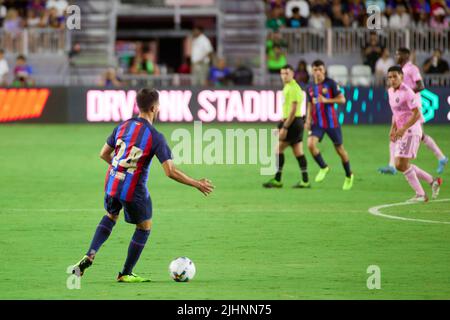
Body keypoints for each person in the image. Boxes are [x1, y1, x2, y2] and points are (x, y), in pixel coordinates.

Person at [72, 88, 214, 282]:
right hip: (134, 189)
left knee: (111, 216)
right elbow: (170, 171)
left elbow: (103, 153)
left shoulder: (123, 126)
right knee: (144, 227)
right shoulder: (155, 136)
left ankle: (90, 253)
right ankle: (125, 273)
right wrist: (196, 183)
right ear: (155, 108)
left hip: (112, 182)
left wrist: (120, 168)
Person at [379, 48, 448, 175]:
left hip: (411, 107)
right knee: (411, 135)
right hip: (402, 108)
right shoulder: (400, 70)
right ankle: (392, 165)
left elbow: (421, 85)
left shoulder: (412, 68)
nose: (396, 56)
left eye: (398, 54)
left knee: (416, 135)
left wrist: (406, 92)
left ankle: (393, 166)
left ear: (406, 55)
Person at [386, 66, 442, 202]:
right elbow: (396, 113)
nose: (392, 80)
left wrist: (403, 128)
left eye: (395, 76)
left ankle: (421, 194)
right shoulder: (390, 91)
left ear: (401, 76)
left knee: (400, 164)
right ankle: (432, 181)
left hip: (411, 131)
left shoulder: (408, 92)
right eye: (390, 77)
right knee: (402, 164)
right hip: (401, 131)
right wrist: (393, 128)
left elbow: (417, 114)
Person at [305, 60, 354, 191]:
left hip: (332, 123)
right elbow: (310, 105)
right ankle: (323, 167)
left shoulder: (330, 83)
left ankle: (349, 175)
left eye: (320, 69)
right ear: (312, 71)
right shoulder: (310, 88)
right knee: (310, 144)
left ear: (324, 70)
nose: (317, 72)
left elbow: (342, 99)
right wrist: (308, 120)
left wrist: (327, 100)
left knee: (340, 150)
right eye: (315, 70)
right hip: (318, 124)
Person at [263, 65, 309, 189]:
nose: (284, 76)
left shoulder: (294, 88)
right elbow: (288, 110)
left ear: (292, 74)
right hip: (295, 122)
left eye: (286, 73)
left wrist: (285, 127)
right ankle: (305, 181)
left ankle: (278, 180)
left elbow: (293, 111)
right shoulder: (288, 87)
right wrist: (280, 125)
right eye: (282, 73)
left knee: (278, 150)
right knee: (298, 152)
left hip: (293, 122)